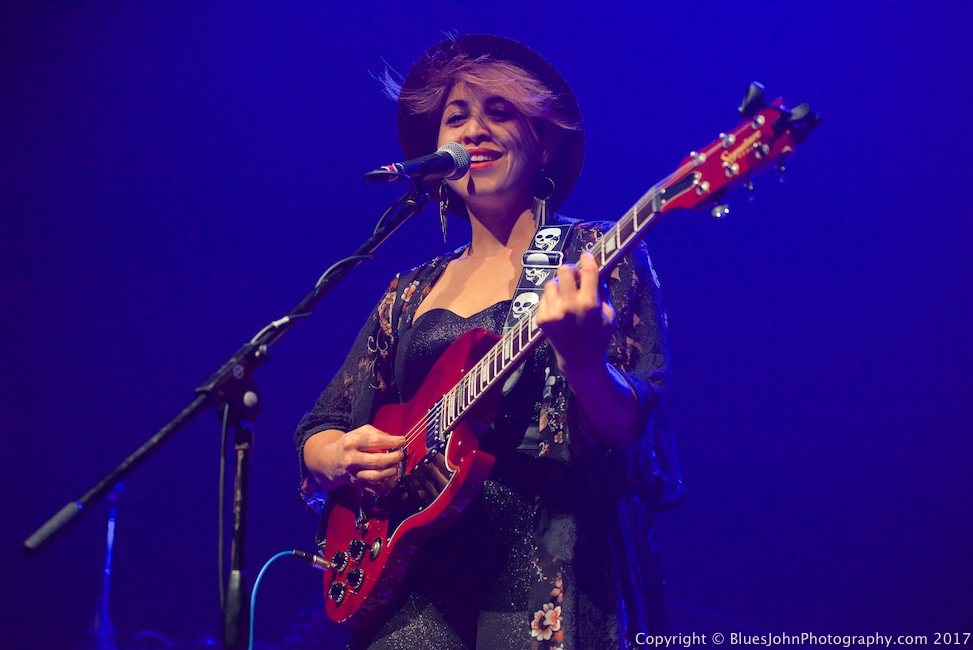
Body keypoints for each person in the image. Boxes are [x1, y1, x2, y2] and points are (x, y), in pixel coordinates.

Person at [294, 34, 682, 650]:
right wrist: (340, 455)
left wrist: (583, 364)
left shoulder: (592, 258)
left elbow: (628, 424)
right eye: (457, 118)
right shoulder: (409, 291)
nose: (474, 130)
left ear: (546, 140)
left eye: (499, 112)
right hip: (410, 573)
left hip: (548, 560)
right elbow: (321, 425)